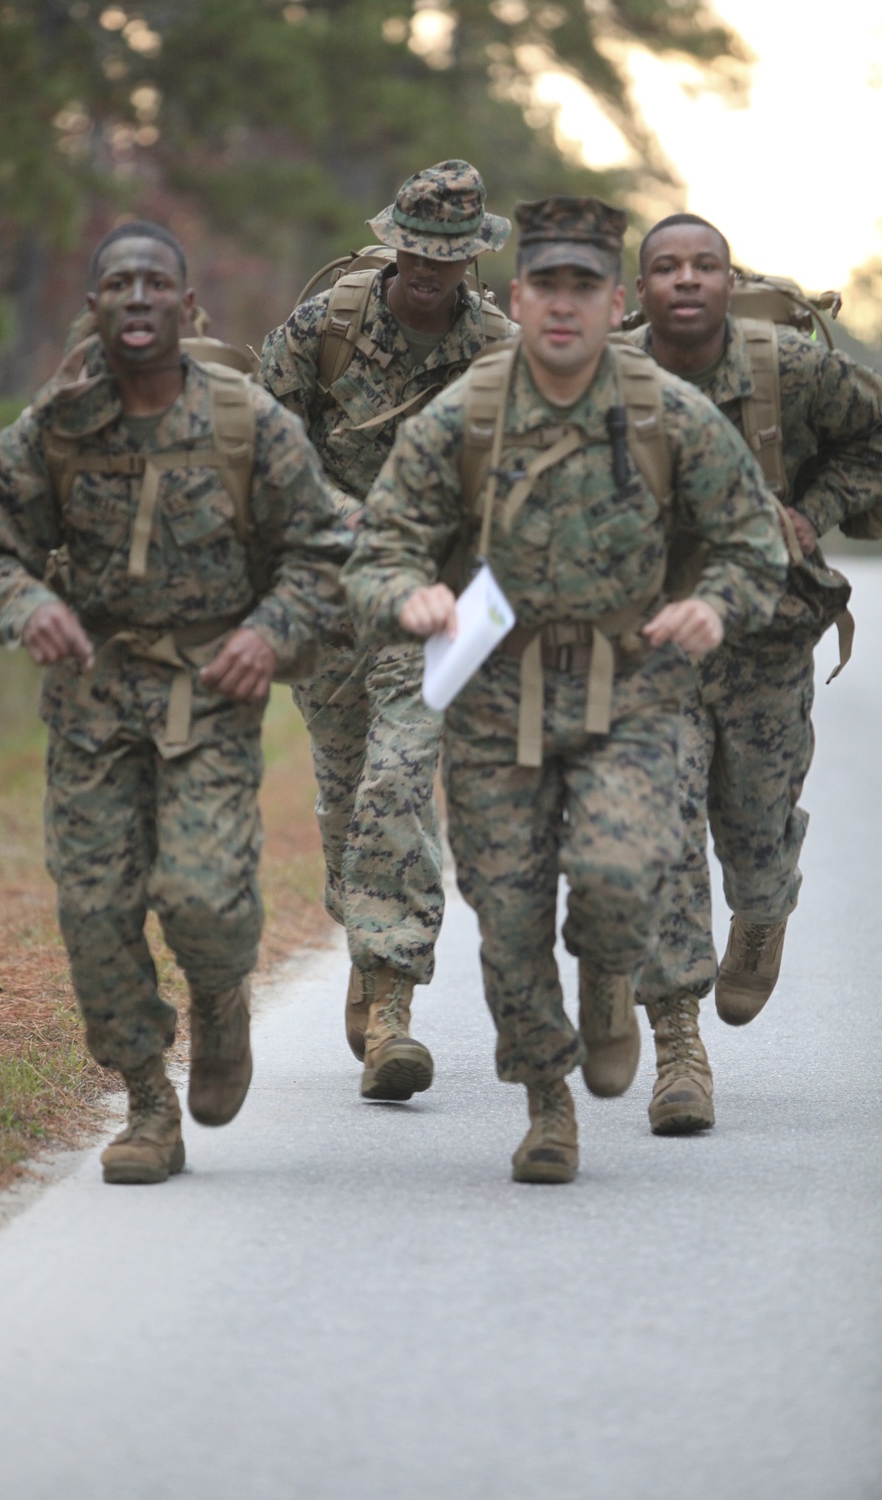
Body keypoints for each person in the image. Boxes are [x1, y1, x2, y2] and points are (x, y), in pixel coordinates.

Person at [343, 196, 788, 1182]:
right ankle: (548, 1103)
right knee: (505, 923)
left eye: (583, 286)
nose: (562, 304)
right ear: (517, 295)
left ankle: (612, 977)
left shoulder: (669, 413)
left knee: (624, 872)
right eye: (545, 283)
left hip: (633, 689)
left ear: (612, 301)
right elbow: (379, 548)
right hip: (499, 695)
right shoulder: (467, 414)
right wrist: (407, 594)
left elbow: (754, 547)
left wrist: (716, 603)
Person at [0, 221, 349, 1185]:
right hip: (92, 701)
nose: (136, 297)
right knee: (95, 909)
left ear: (186, 304)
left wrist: (270, 632)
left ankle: (220, 998)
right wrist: (29, 604)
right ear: (93, 309)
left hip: (210, 691)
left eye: (154, 282)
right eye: (117, 284)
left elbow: (324, 551)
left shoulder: (248, 421)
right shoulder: (55, 427)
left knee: (204, 894)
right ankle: (146, 1105)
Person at [259, 161, 516, 1102]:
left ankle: (395, 1012)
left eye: (449, 257)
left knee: (399, 779)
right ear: (396, 240)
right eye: (416, 250)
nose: (428, 270)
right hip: (332, 601)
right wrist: (339, 516)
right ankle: (368, 954)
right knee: (343, 802)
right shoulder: (327, 325)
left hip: (431, 604)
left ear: (474, 260)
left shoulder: (498, 349)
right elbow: (265, 440)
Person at [629, 214, 882, 1135]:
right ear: (642, 290)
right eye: (667, 267)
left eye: (706, 266)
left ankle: (766, 909)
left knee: (755, 830)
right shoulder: (608, 380)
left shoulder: (792, 368)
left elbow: (874, 445)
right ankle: (678, 1047)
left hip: (768, 640)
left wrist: (814, 510)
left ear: (730, 284)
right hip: (653, 642)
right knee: (662, 831)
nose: (687, 280)